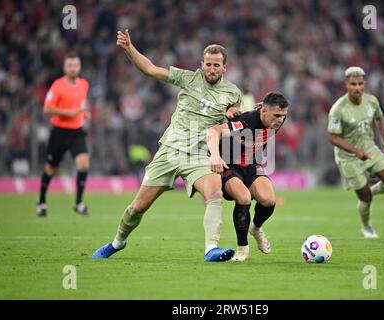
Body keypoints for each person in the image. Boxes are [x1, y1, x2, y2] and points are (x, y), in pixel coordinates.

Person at [92, 29, 243, 262]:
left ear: (225, 68)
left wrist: (232, 115)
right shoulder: (187, 78)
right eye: (208, 64)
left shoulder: (233, 92)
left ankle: (211, 248)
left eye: (217, 65)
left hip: (199, 155)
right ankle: (117, 242)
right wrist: (129, 48)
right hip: (171, 150)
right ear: (201, 64)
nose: (212, 69)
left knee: (215, 193)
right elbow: (150, 69)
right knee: (138, 207)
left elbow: (230, 125)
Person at [206, 92, 289, 261]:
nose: (280, 120)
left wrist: (267, 108)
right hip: (230, 165)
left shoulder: (276, 116)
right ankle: (242, 248)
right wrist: (215, 155)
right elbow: (214, 131)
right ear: (264, 111)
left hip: (251, 164)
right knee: (244, 198)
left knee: (268, 200)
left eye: (283, 116)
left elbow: (272, 108)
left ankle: (256, 228)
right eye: (276, 115)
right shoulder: (245, 121)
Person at [328, 67, 384, 239]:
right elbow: (334, 138)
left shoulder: (371, 101)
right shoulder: (338, 109)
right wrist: (355, 151)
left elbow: (379, 118)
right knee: (365, 197)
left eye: (360, 84)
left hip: (370, 150)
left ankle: (374, 190)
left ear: (364, 84)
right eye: (353, 84)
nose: (357, 87)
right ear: (346, 84)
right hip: (349, 159)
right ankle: (366, 226)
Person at [36, 53, 90, 217]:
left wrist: (83, 114)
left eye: (76, 65)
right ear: (65, 68)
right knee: (51, 168)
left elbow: (80, 105)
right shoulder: (57, 85)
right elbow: (47, 109)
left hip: (76, 131)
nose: (73, 68)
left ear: (79, 67)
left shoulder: (84, 84)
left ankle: (78, 202)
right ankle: (42, 201)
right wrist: (70, 112)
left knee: (83, 164)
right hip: (59, 131)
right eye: (70, 65)